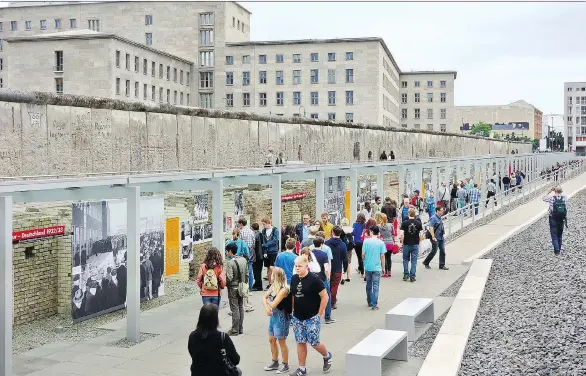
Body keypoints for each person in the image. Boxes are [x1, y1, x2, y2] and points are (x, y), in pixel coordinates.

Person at [289, 255, 332, 376]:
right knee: (300, 342)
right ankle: (301, 368)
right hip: (298, 317)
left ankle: (327, 355)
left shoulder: (314, 279)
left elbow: (325, 296)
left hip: (312, 317)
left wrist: (319, 314)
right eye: (296, 266)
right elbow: (293, 295)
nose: (297, 268)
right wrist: (292, 311)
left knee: (314, 342)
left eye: (299, 266)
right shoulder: (294, 278)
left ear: (306, 266)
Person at [188, 304, 240, 376]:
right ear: (215, 319)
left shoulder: (193, 336)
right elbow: (236, 360)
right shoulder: (223, 338)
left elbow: (192, 354)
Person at [262, 267, 292, 374]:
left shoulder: (284, 289)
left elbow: (274, 303)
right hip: (273, 316)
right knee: (271, 339)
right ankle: (275, 362)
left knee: (281, 341)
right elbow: (263, 297)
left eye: (272, 274)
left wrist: (268, 302)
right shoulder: (274, 286)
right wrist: (266, 308)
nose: (270, 275)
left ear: (276, 276)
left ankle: (285, 364)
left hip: (281, 317)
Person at [311, 237, 336, 324]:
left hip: (312, 278)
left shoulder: (310, 254)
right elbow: (326, 268)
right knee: (326, 296)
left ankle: (313, 316)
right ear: (321, 244)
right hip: (321, 278)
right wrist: (327, 276)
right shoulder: (323, 254)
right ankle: (327, 317)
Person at [225, 243, 248, 336]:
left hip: (233, 288)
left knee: (234, 308)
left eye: (227, 251)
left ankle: (235, 330)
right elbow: (247, 274)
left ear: (230, 251)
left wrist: (226, 284)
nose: (226, 253)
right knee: (240, 307)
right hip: (241, 287)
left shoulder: (230, 263)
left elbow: (229, 278)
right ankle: (240, 328)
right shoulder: (243, 260)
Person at [362, 226, 385, 310]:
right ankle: (374, 304)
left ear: (371, 232)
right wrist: (383, 267)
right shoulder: (381, 243)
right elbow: (382, 256)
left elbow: (363, 254)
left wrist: (364, 262)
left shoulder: (366, 241)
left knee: (368, 285)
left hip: (368, 266)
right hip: (377, 267)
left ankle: (369, 301)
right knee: (376, 286)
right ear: (378, 233)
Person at [324, 226, 348, 309]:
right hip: (338, 268)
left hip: (327, 267)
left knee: (328, 285)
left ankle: (327, 300)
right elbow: (345, 258)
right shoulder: (343, 245)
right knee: (335, 286)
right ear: (340, 233)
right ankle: (332, 302)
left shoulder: (326, 243)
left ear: (332, 232)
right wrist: (345, 268)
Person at [542, 186, 568, 255]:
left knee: (554, 235)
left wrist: (549, 191)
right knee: (560, 234)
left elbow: (544, 198)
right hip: (562, 218)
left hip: (553, 218)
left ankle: (557, 251)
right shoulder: (565, 198)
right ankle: (559, 248)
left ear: (555, 191)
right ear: (561, 191)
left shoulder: (552, 198)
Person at [400, 208, 423, 282]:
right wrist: (419, 242)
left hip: (406, 243)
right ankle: (412, 276)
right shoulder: (419, 223)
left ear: (408, 214)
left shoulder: (404, 223)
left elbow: (401, 234)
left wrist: (402, 243)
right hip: (415, 243)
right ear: (414, 214)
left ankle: (406, 274)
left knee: (405, 259)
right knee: (414, 261)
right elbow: (421, 235)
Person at [260, 217, 280, 288]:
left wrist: (265, 245)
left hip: (273, 251)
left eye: (264, 224)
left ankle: (275, 282)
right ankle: (270, 283)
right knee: (268, 268)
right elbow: (263, 240)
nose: (263, 226)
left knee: (272, 267)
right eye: (263, 224)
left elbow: (275, 240)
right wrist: (264, 251)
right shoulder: (263, 231)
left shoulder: (275, 230)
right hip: (266, 252)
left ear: (269, 223)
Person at [378, 213, 394, 278]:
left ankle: (385, 272)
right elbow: (393, 233)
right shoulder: (390, 225)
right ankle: (389, 271)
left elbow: (379, 235)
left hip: (383, 243)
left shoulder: (379, 226)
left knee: (383, 258)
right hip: (390, 243)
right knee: (389, 257)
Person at [340, 218, 355, 284]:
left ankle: (342, 277)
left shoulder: (340, 229)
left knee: (341, 262)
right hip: (349, 247)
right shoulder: (351, 229)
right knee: (348, 262)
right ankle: (348, 277)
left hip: (342, 247)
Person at [251, 223, 265, 291]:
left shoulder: (256, 235)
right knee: (257, 271)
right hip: (259, 256)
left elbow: (255, 246)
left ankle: (259, 285)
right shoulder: (260, 234)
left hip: (257, 256)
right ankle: (257, 284)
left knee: (257, 271)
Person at [352, 213, 366, 278]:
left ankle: (362, 271)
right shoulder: (364, 225)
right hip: (363, 242)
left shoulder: (354, 224)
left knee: (359, 257)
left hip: (356, 243)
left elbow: (353, 233)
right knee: (362, 256)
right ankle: (361, 269)